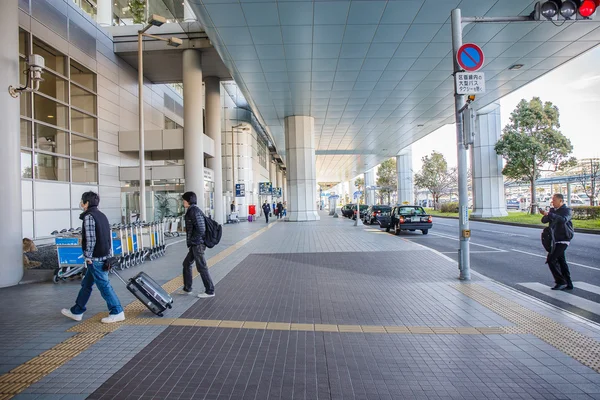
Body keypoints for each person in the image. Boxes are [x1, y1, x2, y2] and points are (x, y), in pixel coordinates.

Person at [61, 192, 125, 324]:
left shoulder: (89, 217)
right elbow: (108, 238)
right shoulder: (102, 215)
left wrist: (88, 256)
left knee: (104, 286)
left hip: (95, 259)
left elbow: (91, 239)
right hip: (102, 256)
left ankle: (117, 311)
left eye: (82, 201)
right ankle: (77, 311)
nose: (81, 204)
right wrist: (108, 255)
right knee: (86, 285)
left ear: (86, 203)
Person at [178, 191, 215, 298]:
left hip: (198, 244)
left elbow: (201, 228)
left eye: (184, 200)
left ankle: (210, 290)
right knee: (186, 264)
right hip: (196, 243)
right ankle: (187, 288)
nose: (183, 202)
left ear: (188, 200)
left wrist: (193, 240)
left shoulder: (193, 211)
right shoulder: (192, 210)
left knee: (202, 267)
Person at [540, 193, 574, 291]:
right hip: (554, 239)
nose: (552, 202)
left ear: (561, 201)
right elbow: (544, 220)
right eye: (552, 200)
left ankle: (560, 281)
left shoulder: (567, 210)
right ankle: (569, 283)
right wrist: (546, 214)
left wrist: (550, 214)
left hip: (564, 238)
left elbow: (563, 220)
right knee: (561, 261)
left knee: (551, 259)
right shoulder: (552, 210)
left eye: (554, 200)